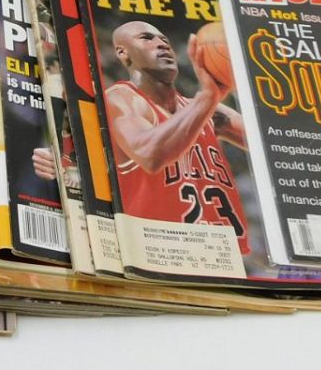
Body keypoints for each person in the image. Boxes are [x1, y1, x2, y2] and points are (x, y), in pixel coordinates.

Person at [101, 21, 251, 253]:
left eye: (165, 40)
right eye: (147, 38)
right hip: (157, 252)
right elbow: (150, 155)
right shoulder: (120, 99)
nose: (162, 44)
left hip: (215, 253)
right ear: (123, 53)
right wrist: (207, 99)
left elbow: (274, 147)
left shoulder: (207, 110)